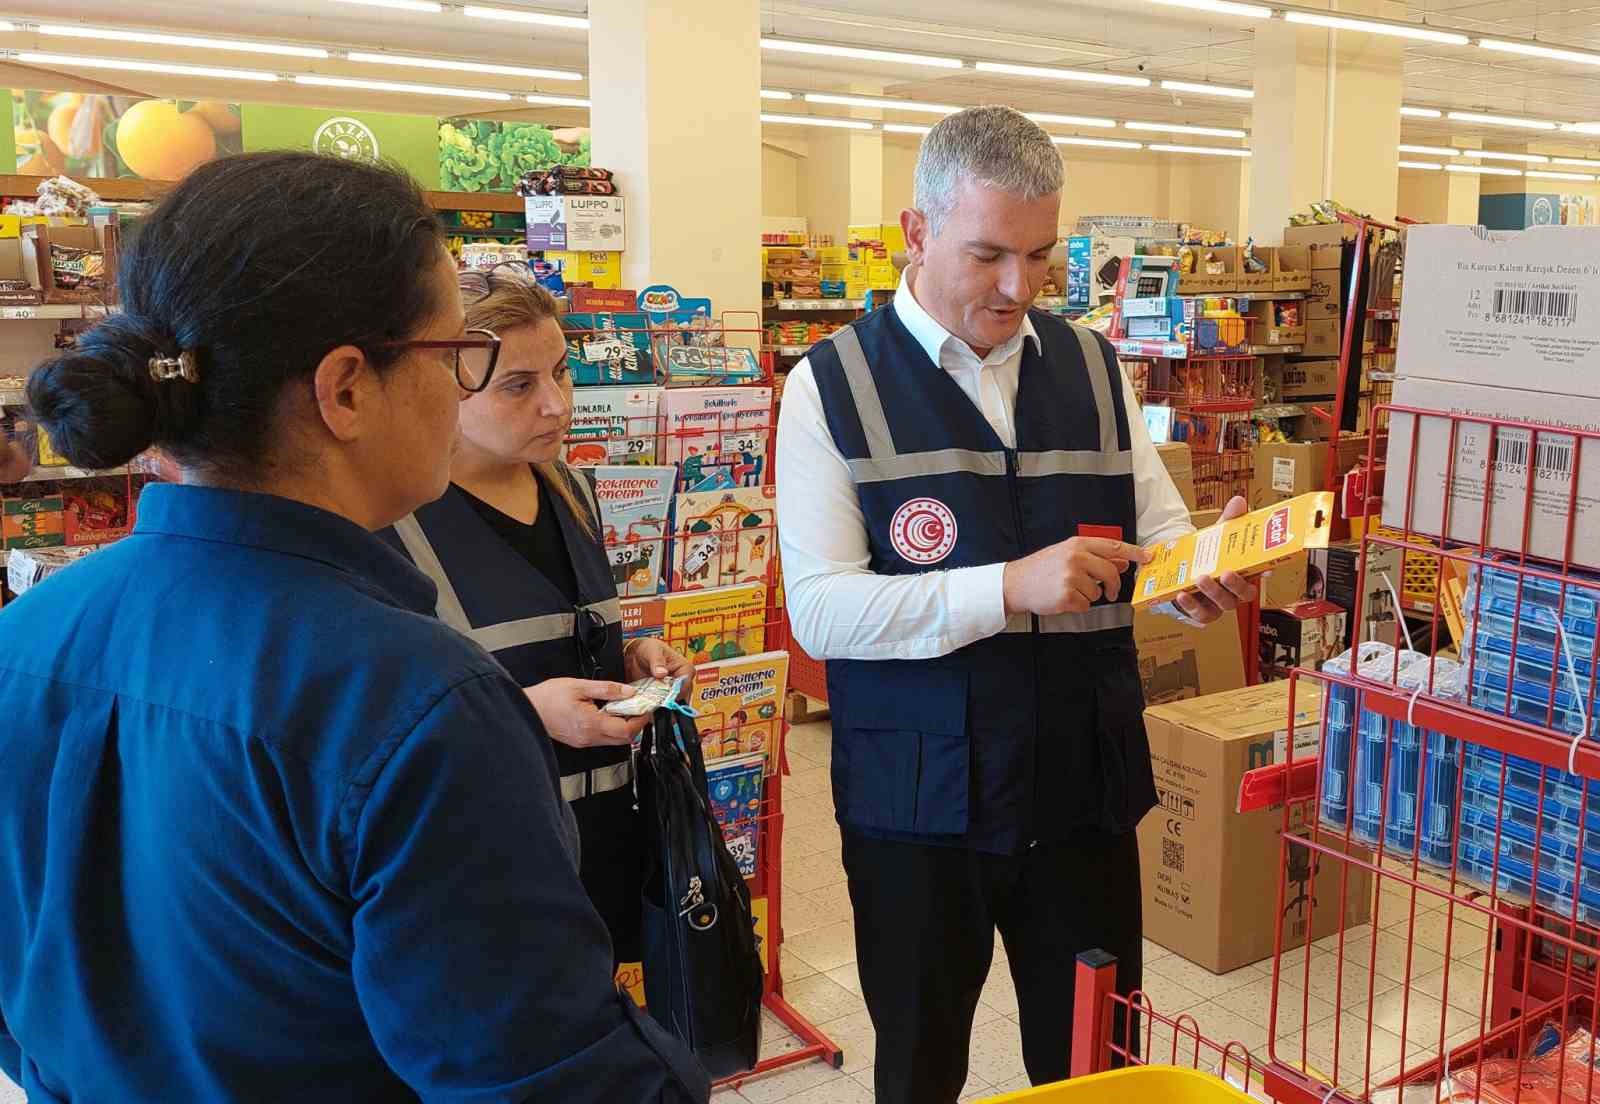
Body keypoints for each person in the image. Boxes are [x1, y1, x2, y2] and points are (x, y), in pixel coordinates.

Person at [0, 152, 707, 1104]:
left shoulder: (28, 638)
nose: (470, 390)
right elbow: (545, 1077)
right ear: (345, 389)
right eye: (459, 357)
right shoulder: (420, 703)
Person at [775, 105, 1255, 1104]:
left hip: (1079, 788)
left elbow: (1155, 536)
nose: (1015, 288)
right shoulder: (829, 386)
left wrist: (1197, 574)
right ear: (915, 231)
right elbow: (820, 614)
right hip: (918, 810)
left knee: (1092, 1063)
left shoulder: (1090, 364)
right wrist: (1004, 587)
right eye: (987, 254)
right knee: (920, 1066)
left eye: (1039, 257)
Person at [380, 266, 693, 968]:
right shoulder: (390, 527)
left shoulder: (575, 491)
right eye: (518, 386)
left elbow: (559, 634)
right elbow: (373, 725)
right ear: (439, 387)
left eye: (560, 373)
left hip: (606, 840)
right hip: (488, 869)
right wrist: (525, 713)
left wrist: (634, 658)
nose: (556, 405)